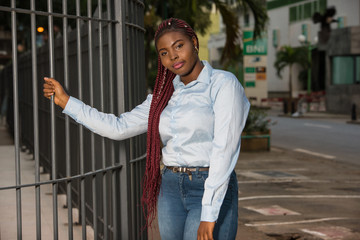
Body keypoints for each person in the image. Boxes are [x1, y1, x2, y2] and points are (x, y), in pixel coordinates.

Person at [43, 18, 250, 240]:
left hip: (208, 185)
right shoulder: (163, 97)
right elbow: (118, 127)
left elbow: (224, 149)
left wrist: (209, 213)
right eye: (164, 52)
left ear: (194, 42)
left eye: (179, 45)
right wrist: (67, 102)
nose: (173, 56)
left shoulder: (223, 84)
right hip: (170, 187)